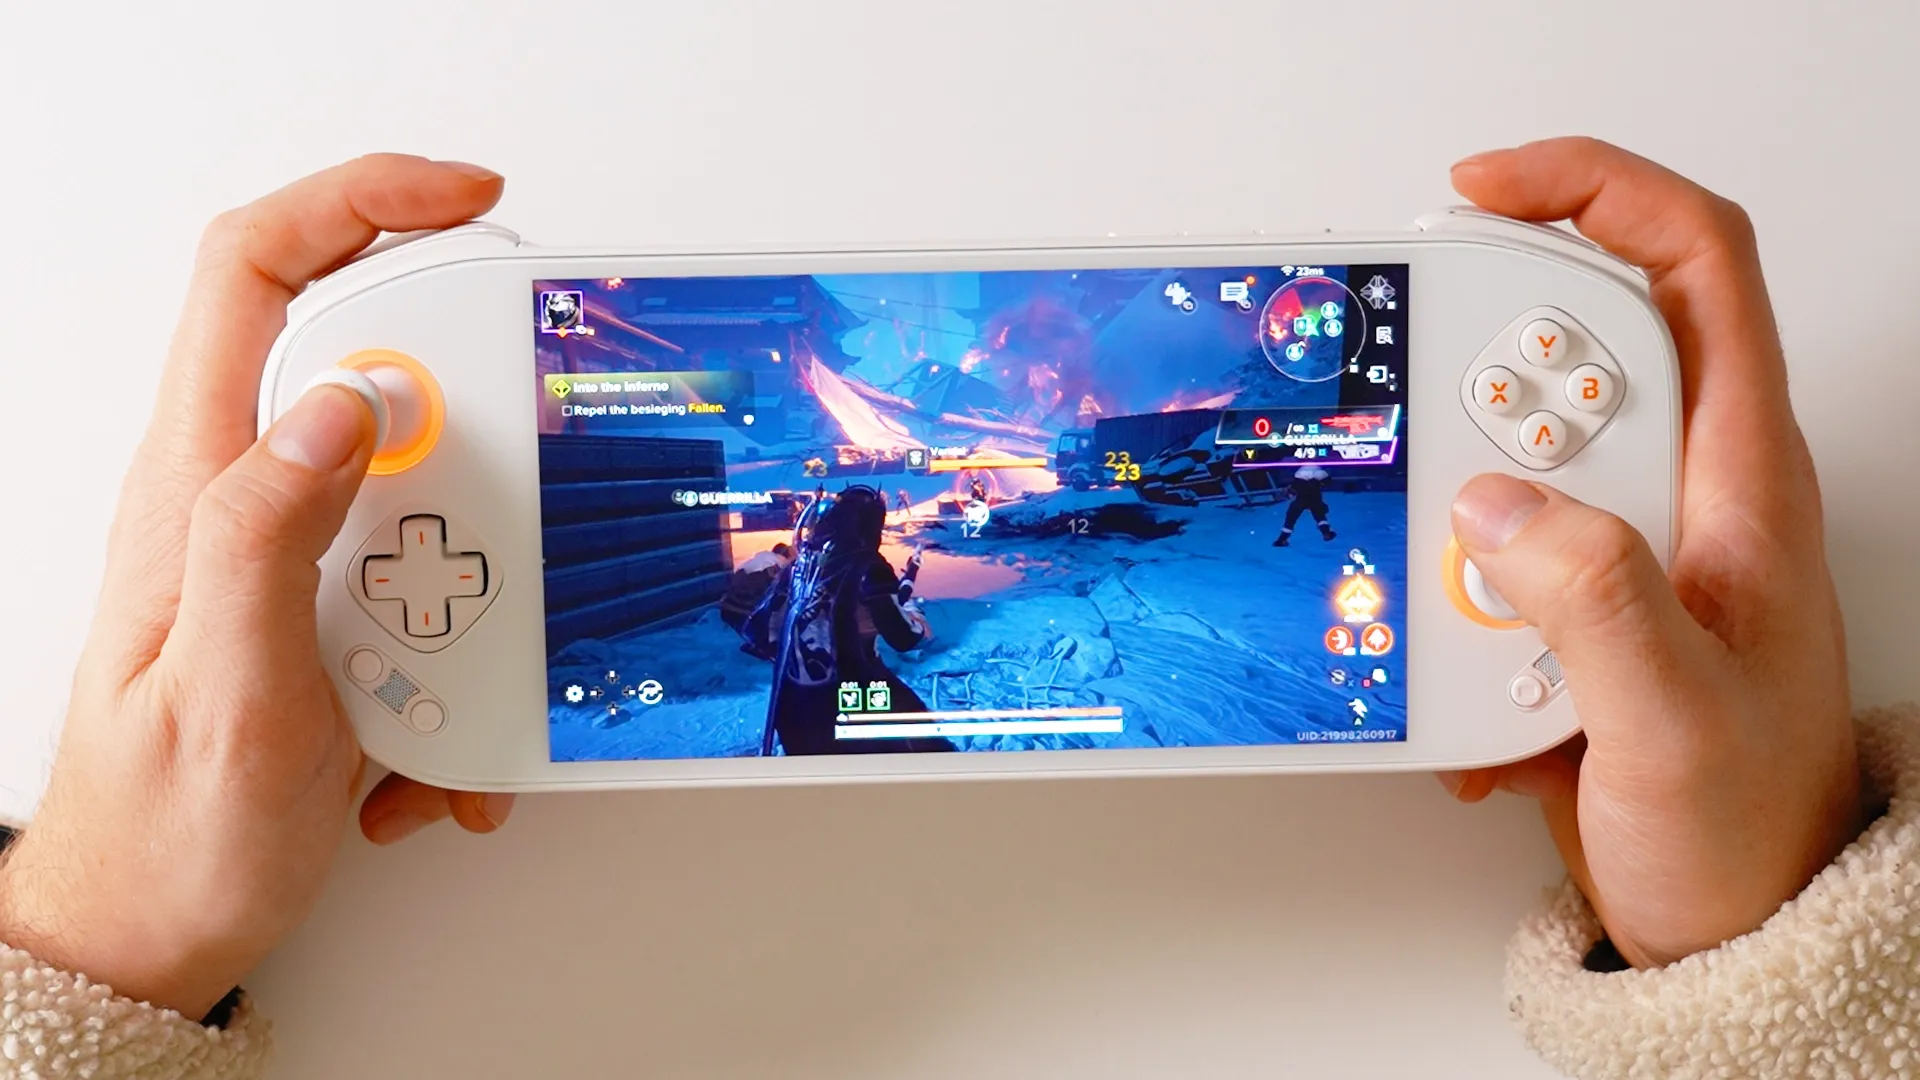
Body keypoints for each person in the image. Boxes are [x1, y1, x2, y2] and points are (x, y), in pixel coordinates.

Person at [0, 141, 1912, 1079]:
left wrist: (103, 939)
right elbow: (859, 605)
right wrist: (1763, 945)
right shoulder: (838, 541)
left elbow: (870, 599)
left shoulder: (852, 539)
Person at [742, 486, 952, 756]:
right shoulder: (870, 566)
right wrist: (914, 616)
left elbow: (759, 633)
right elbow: (903, 637)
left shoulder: (799, 564)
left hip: (794, 708)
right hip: (853, 701)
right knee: (925, 745)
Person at [1271, 463, 1335, 546]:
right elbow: (1328, 482)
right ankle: (1326, 534)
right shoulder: (1320, 474)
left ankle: (1282, 540)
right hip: (1315, 500)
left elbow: (1293, 489)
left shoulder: (1299, 476)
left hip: (1300, 500)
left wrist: (1288, 493)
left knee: (1290, 519)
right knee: (1320, 517)